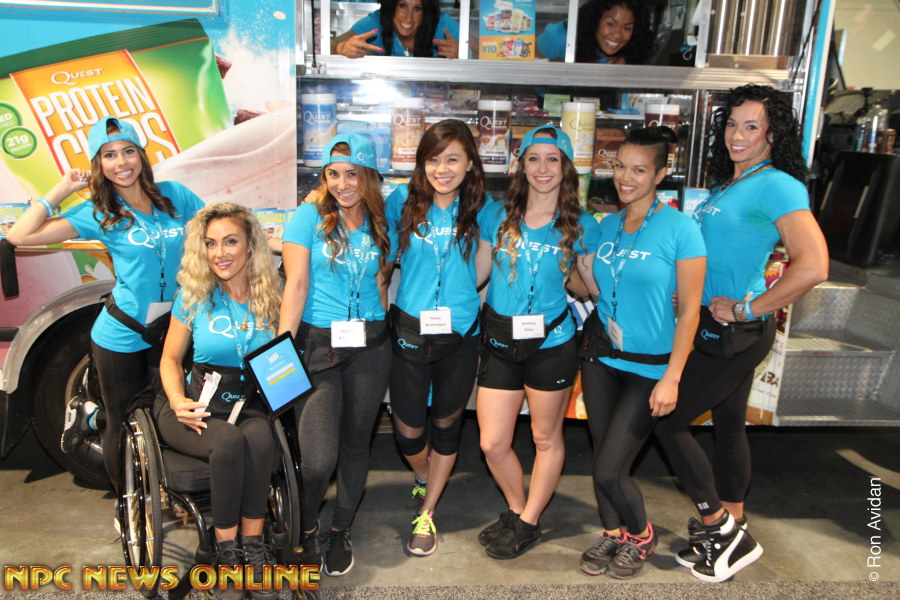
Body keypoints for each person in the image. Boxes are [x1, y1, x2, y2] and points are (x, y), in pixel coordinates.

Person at [654, 84, 829, 583]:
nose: (738, 135)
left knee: (667, 420)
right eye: (732, 124)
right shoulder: (730, 182)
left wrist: (746, 308)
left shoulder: (777, 185)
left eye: (752, 126)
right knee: (729, 425)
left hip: (735, 333)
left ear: (774, 135)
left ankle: (722, 531)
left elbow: (814, 266)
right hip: (713, 324)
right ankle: (730, 526)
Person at [6, 116, 204, 498]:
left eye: (128, 151)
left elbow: (219, 229)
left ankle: (164, 483)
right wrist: (62, 189)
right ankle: (127, 502)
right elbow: (20, 235)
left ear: (141, 155)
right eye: (109, 155)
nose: (121, 162)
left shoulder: (175, 195)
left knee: (170, 414)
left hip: (175, 328)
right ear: (99, 163)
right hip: (122, 333)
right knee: (123, 420)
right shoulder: (98, 211)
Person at [575, 127, 706, 579]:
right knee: (601, 454)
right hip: (600, 356)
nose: (625, 178)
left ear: (660, 174)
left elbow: (690, 312)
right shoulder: (606, 225)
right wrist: (571, 254)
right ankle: (612, 533)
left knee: (610, 469)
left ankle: (641, 534)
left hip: (649, 369)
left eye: (639, 170)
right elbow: (591, 288)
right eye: (619, 167)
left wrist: (673, 377)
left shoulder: (681, 229)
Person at [476, 125, 599, 560]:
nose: (542, 168)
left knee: (545, 438)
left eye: (552, 159)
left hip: (553, 342)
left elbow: (592, 287)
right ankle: (516, 507)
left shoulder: (581, 224)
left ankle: (529, 520)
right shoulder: (496, 215)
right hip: (500, 339)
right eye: (533, 158)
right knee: (492, 442)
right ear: (521, 164)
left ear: (565, 167)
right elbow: (478, 275)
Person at [279, 133, 394, 577]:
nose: (342, 184)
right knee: (318, 458)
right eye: (333, 174)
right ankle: (307, 526)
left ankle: (339, 530)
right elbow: (295, 286)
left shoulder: (382, 220)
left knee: (356, 444)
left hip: (370, 343)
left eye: (352, 174)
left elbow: (381, 283)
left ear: (369, 176)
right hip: (319, 343)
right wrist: (281, 350)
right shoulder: (308, 216)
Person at [157, 203, 281, 600]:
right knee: (227, 440)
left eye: (230, 241)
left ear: (250, 246)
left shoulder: (271, 296)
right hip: (194, 407)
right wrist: (177, 400)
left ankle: (253, 548)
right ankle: (227, 554)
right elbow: (170, 359)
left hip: (247, 404)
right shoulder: (193, 295)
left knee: (260, 438)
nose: (219, 253)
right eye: (210, 244)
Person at [385, 119, 490, 556]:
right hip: (410, 330)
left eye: (452, 159)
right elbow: (378, 255)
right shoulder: (401, 202)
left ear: (469, 164)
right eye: (433, 159)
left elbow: (487, 265)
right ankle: (427, 476)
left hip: (461, 334)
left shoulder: (484, 208)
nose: (442, 169)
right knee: (408, 432)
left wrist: (462, 293)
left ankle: (427, 511)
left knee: (447, 426)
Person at [332, 0, 459, 59]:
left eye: (418, 8)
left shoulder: (441, 23)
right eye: (402, 6)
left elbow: (472, 47)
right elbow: (328, 45)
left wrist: (462, 52)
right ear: (391, 5)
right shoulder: (376, 22)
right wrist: (341, 48)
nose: (408, 18)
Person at [537, 0, 653, 64]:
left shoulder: (628, 53)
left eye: (626, 28)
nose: (617, 35)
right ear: (595, 20)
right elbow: (531, 64)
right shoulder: (559, 37)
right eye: (610, 24)